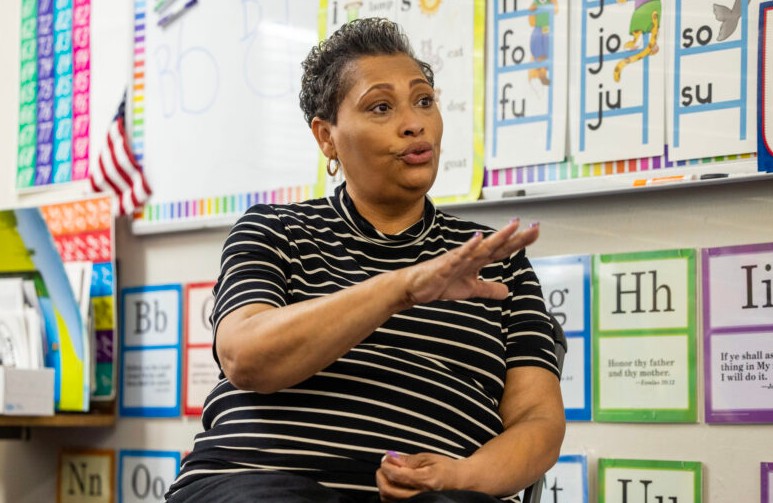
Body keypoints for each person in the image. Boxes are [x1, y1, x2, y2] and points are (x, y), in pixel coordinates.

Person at [165, 17, 565, 503]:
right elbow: (244, 356)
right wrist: (402, 288)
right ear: (326, 138)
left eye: (424, 101)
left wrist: (458, 476)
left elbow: (538, 420)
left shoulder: (493, 259)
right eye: (381, 107)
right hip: (258, 478)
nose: (414, 123)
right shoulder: (275, 229)